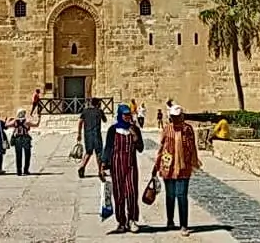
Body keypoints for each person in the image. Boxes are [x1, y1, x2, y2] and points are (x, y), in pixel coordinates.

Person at [154, 104, 200, 237]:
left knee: (181, 196)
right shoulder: (167, 129)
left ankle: (184, 225)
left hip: (183, 167)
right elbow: (162, 147)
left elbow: (192, 148)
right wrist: (157, 165)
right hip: (168, 167)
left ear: (182, 116)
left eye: (177, 117)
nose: (175, 120)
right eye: (173, 117)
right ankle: (170, 221)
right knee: (170, 195)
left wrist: (193, 161)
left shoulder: (187, 129)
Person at [100, 104, 144, 233]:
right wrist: (103, 164)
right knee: (119, 194)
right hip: (116, 165)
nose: (127, 117)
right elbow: (108, 148)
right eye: (125, 115)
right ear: (120, 115)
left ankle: (132, 219)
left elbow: (140, 148)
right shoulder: (113, 130)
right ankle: (121, 222)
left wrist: (135, 138)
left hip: (131, 165)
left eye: (129, 114)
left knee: (131, 192)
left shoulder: (135, 129)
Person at [77, 98, 107, 178]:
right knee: (99, 153)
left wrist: (79, 134)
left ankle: (82, 166)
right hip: (96, 134)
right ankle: (100, 171)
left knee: (88, 152)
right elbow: (105, 120)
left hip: (88, 134)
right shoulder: (99, 111)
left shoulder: (85, 111)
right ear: (98, 104)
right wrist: (101, 112)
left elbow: (80, 122)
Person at [5, 109, 40, 175]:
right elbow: (36, 125)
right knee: (27, 155)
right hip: (26, 138)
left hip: (17, 138)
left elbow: (6, 125)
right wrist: (39, 119)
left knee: (18, 155)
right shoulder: (27, 121)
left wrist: (8, 119)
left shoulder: (15, 121)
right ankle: (26, 170)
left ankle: (19, 171)